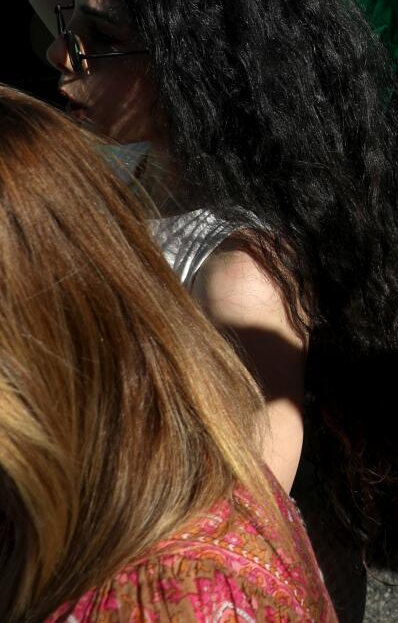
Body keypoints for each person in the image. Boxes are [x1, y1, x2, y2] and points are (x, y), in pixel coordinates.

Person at [0, 0, 398, 616]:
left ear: (190, 64)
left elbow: (230, 530)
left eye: (94, 36)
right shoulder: (131, 129)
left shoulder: (244, 270)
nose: (64, 56)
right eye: (69, 26)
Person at [0, 86, 336, 621]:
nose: (64, 63)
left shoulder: (243, 267)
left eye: (104, 41)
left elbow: (254, 493)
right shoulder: (98, 174)